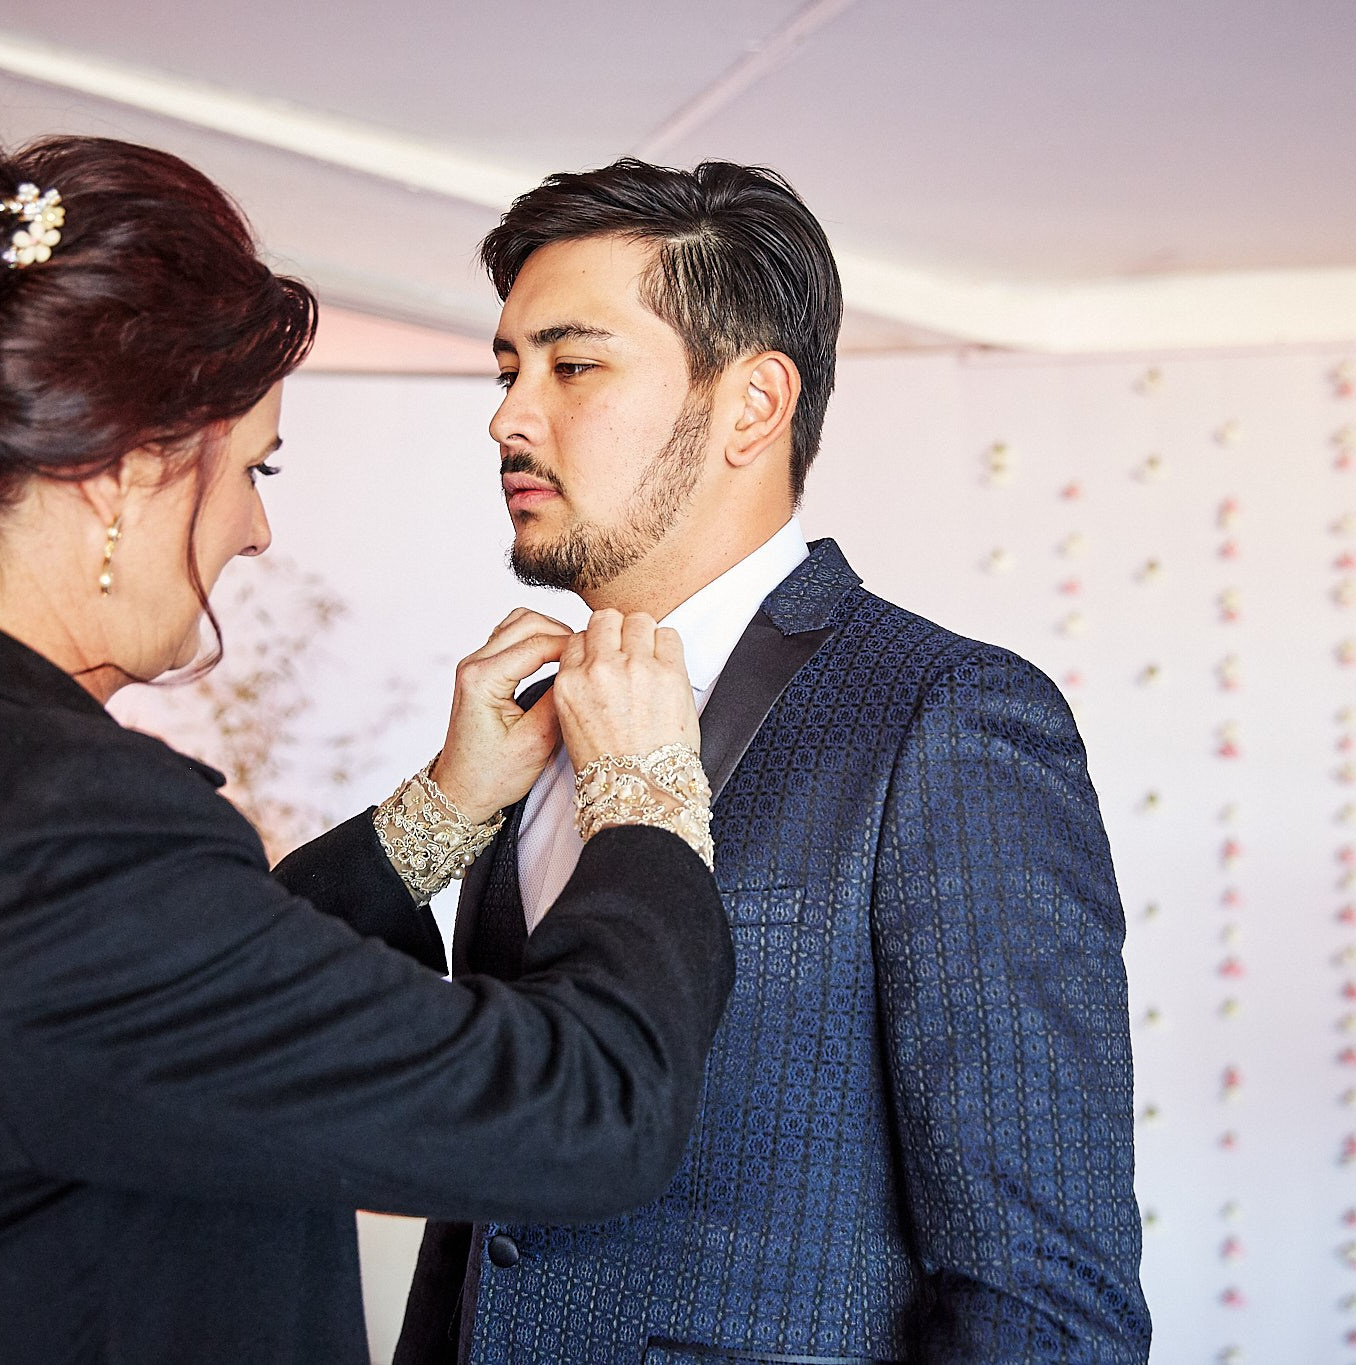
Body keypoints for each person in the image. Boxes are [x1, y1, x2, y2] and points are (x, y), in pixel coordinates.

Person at [0, 98, 735, 1365]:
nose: (254, 535)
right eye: (253, 471)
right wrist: (649, 799)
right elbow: (584, 1115)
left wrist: (436, 814)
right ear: (126, 472)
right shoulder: (51, 825)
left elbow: (168, 1018)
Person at [397, 162, 1150, 1363]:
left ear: (752, 404)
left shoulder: (946, 717)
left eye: (570, 365)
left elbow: (1044, 1293)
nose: (508, 417)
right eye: (506, 370)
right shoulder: (525, 719)